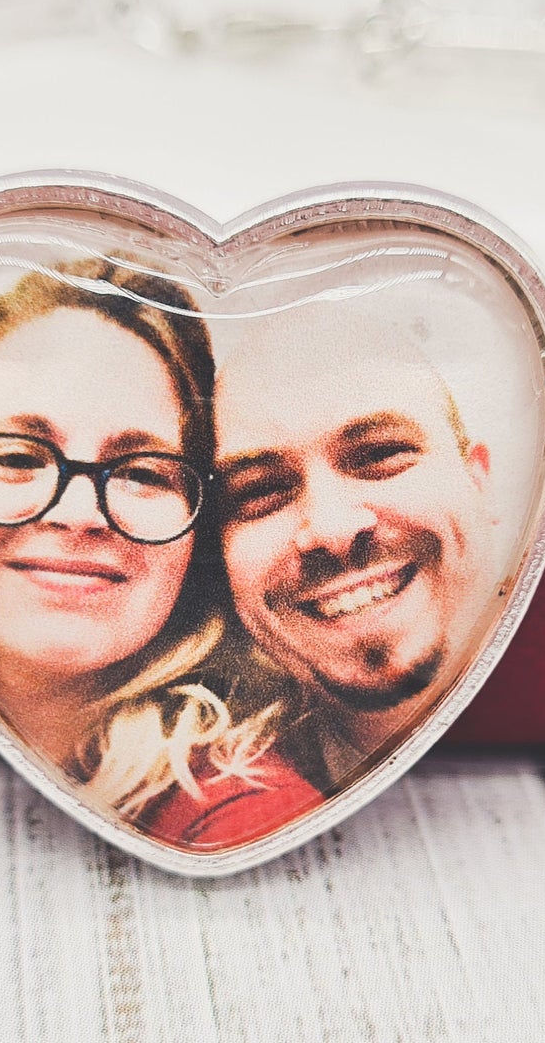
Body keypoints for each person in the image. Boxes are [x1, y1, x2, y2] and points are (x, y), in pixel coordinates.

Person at [0, 255, 322, 852]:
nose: (77, 514)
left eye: (143, 474)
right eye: (17, 458)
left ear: (199, 536)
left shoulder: (238, 807)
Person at [211, 302, 503, 790]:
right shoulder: (215, 792)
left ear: (479, 482)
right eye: (261, 491)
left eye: (380, 455)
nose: (330, 530)